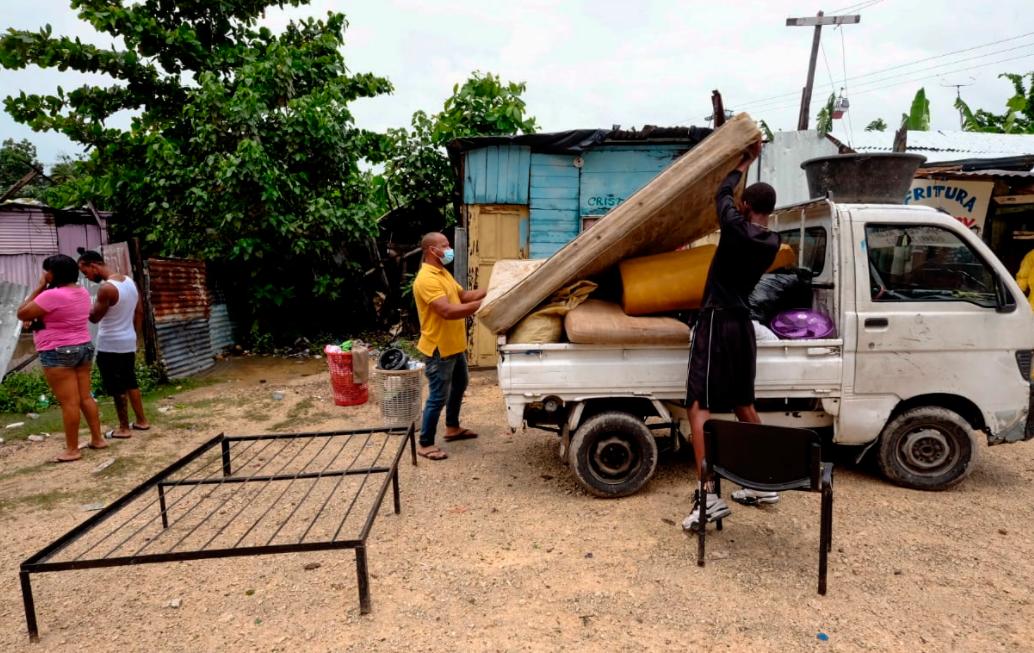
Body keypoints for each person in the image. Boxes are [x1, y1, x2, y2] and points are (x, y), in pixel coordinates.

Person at [683, 141, 782, 531]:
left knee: (698, 405)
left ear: (745, 206)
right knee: (743, 404)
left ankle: (708, 495)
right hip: (743, 326)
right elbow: (729, 199)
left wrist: (743, 161)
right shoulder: (771, 243)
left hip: (716, 322)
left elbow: (721, 192)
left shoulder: (735, 228)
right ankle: (764, 483)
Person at [16, 254, 105, 462]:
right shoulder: (81, 292)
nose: (44, 274)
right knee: (85, 397)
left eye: (46, 271)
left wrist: (39, 287)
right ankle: (97, 439)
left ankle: (72, 450)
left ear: (53, 274)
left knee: (69, 403)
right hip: (84, 347)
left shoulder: (51, 295)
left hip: (57, 351)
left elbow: (22, 313)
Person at [412, 232, 486, 461]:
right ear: (431, 250)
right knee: (438, 396)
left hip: (454, 345)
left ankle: (452, 427)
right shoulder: (426, 279)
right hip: (439, 348)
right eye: (445, 246)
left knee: (460, 384)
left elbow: (464, 296)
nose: (449, 249)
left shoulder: (442, 273)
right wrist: (483, 304)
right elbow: (447, 311)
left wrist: (494, 290)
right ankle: (425, 443)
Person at [78, 249, 151, 438]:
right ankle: (142, 421)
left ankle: (123, 428)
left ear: (93, 265)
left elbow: (94, 318)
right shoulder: (129, 281)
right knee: (130, 381)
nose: (86, 277)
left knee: (117, 386)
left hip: (110, 344)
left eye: (85, 272)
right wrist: (134, 336)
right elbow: (140, 311)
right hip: (127, 341)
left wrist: (81, 304)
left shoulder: (106, 289)